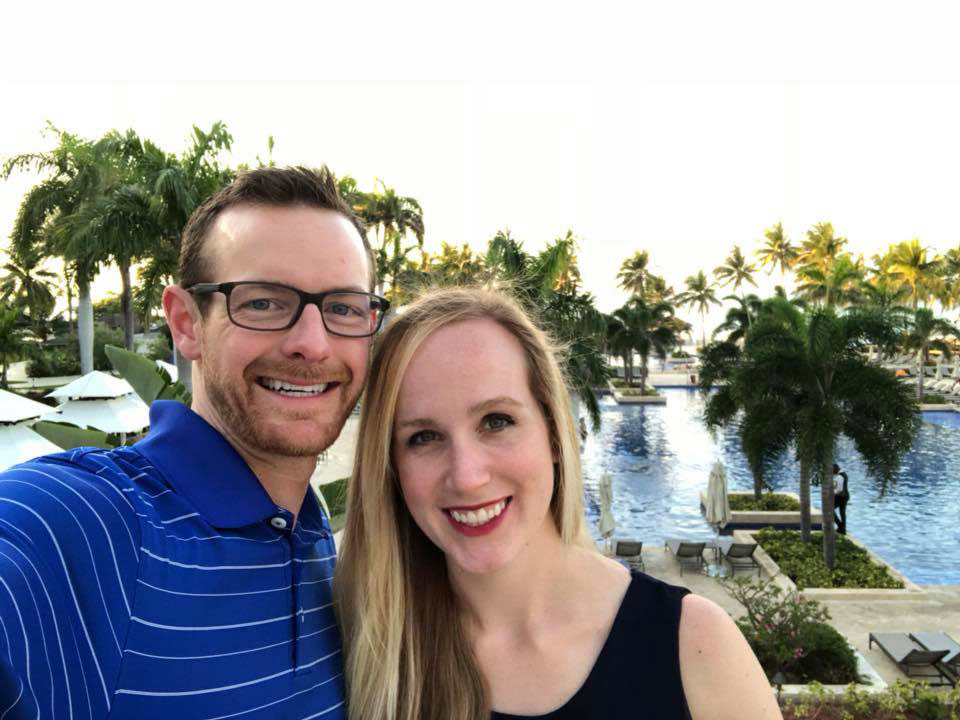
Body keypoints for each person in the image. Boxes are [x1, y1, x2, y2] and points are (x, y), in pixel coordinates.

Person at [0, 167, 386, 719]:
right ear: (186, 323)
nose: (312, 343)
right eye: (263, 302)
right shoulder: (89, 523)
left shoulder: (313, 532)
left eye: (344, 308)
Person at [335, 287, 781, 720]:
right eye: (424, 437)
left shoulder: (695, 645)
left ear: (553, 432)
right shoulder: (366, 652)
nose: (468, 477)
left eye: (496, 421)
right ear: (390, 467)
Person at [833, 463, 850, 535]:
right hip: (846, 496)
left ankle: (840, 526)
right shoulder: (844, 474)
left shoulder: (839, 477)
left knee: (829, 510)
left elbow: (838, 490)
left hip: (840, 496)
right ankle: (843, 530)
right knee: (842, 513)